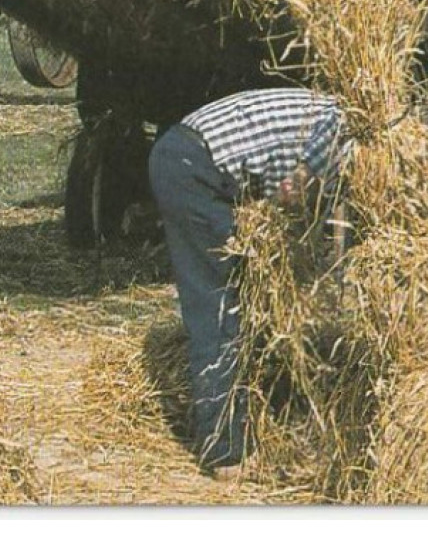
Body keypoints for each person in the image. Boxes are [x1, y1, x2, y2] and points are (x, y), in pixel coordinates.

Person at [147, 87, 351, 477]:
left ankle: (247, 420)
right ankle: (225, 452)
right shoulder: (338, 135)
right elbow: (292, 192)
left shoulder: (332, 114)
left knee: (237, 299)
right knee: (220, 303)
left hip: (192, 156)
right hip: (192, 167)